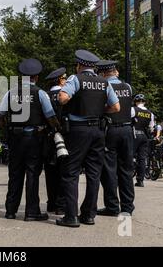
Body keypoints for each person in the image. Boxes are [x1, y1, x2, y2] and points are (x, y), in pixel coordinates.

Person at [56, 50, 120, 228]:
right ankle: (89, 214)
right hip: (98, 131)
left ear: (79, 65)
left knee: (71, 173)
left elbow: (62, 98)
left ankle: (71, 216)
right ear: (93, 67)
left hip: (78, 131)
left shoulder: (75, 79)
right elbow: (116, 107)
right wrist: (99, 111)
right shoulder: (104, 83)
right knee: (94, 173)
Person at [0, 58, 60, 222]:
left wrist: (10, 129)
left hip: (15, 138)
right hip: (34, 138)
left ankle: (10, 210)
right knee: (32, 174)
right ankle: (31, 212)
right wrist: (54, 128)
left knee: (15, 174)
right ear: (37, 77)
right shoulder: (40, 93)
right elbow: (51, 116)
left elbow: (0, 117)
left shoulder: (10, 93)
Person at [96, 60, 135, 217]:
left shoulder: (105, 87)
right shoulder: (128, 87)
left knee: (109, 170)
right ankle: (127, 207)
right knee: (126, 169)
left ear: (104, 73)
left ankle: (112, 206)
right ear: (115, 71)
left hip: (110, 130)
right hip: (127, 130)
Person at [44, 67, 67, 216]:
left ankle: (51, 202)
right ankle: (61, 204)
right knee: (64, 170)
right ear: (60, 80)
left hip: (47, 136)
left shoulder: (45, 95)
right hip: (64, 135)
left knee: (50, 171)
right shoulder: (65, 95)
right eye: (64, 79)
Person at [132, 94, 154, 187]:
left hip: (134, 135)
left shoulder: (133, 109)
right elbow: (151, 127)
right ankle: (140, 180)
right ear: (144, 102)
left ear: (136, 101)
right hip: (144, 137)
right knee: (142, 159)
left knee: (129, 156)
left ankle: (127, 178)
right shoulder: (150, 113)